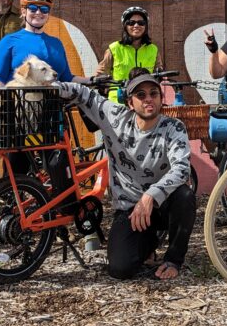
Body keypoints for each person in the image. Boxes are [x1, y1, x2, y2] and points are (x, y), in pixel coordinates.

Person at [55, 68, 195, 280]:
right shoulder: (115, 118)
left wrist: (150, 196)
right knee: (121, 269)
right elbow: (83, 93)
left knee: (185, 196)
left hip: (163, 204)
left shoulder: (174, 127)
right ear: (130, 103)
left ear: (160, 98)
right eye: (141, 95)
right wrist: (48, 88)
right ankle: (148, 240)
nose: (148, 99)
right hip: (130, 208)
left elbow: (182, 168)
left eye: (153, 94)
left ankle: (173, 259)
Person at [0, 0, 82, 87]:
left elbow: (67, 78)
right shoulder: (8, 41)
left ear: (48, 14)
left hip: (54, 100)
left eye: (44, 9)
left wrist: (92, 80)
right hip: (20, 99)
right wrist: (0, 100)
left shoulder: (56, 43)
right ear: (24, 12)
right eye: (33, 8)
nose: (38, 12)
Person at [94, 6, 162, 102]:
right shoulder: (114, 48)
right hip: (118, 103)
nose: (136, 25)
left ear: (145, 26)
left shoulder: (153, 49)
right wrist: (109, 90)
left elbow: (159, 74)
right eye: (131, 22)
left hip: (145, 102)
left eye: (141, 23)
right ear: (125, 26)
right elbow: (101, 74)